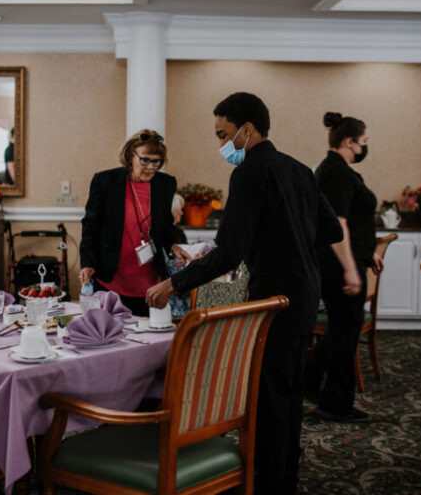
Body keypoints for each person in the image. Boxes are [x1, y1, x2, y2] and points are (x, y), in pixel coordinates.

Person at [146, 92, 343, 495]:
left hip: (272, 300)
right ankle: (285, 475)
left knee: (269, 397)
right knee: (288, 394)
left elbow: (229, 251)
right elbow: (332, 231)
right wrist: (295, 244)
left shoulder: (250, 171)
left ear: (247, 129)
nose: (221, 145)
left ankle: (268, 482)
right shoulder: (300, 170)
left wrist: (173, 283)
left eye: (223, 135)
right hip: (305, 294)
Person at [305, 112, 383, 423]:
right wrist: (351, 269)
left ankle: (307, 382)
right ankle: (335, 404)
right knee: (345, 334)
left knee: (339, 331)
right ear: (350, 142)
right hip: (338, 267)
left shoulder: (335, 168)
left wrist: (367, 254)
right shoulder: (336, 172)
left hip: (341, 262)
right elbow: (338, 224)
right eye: (364, 142)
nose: (365, 147)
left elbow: (352, 219)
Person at [79, 129, 190, 317]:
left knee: (147, 335)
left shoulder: (165, 184)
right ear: (131, 155)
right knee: (109, 336)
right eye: (145, 160)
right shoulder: (106, 181)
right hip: (111, 277)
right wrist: (87, 262)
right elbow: (90, 225)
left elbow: (165, 226)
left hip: (149, 283)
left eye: (156, 161)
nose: (151, 167)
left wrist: (173, 245)